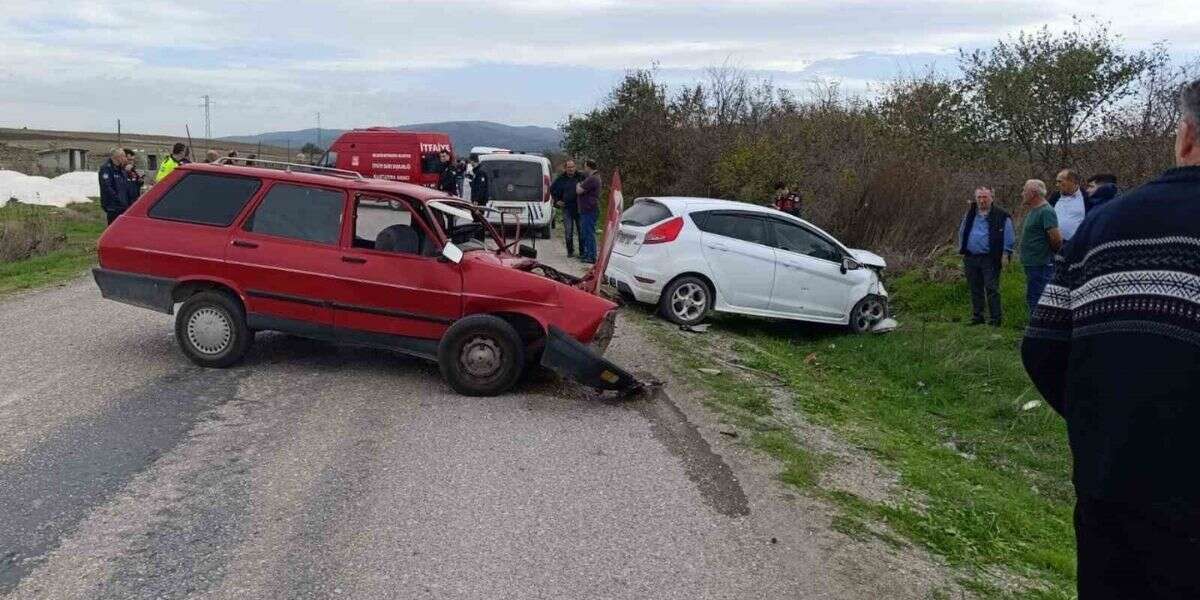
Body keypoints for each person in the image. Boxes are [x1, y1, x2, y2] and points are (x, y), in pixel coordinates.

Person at [1022, 77, 1200, 599]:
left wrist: (1105, 420)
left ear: (1186, 136)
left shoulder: (1106, 226)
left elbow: (1042, 348)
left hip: (1114, 493)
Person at [958, 186, 1014, 326]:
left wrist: (1006, 253)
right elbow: (962, 231)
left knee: (991, 288)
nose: (982, 200)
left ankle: (995, 318)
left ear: (992, 198)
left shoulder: (1002, 215)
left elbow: (1009, 235)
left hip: (991, 257)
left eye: (985, 197)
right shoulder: (970, 213)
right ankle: (978, 316)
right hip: (971, 256)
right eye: (979, 197)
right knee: (975, 288)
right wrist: (962, 249)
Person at [1018, 179, 1063, 312]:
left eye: (1024, 190)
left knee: (1039, 299)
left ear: (1033, 193)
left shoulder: (1046, 211)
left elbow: (1056, 238)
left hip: (1041, 265)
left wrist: (1049, 256)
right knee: (1032, 297)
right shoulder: (1034, 210)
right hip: (1032, 264)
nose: (1022, 193)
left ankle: (1040, 324)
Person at [550, 159, 584, 257]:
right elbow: (551, 189)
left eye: (572, 167)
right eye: (569, 167)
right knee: (568, 231)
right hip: (567, 209)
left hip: (579, 208)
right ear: (565, 168)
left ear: (575, 167)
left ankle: (582, 252)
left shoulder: (581, 177)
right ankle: (570, 251)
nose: (571, 169)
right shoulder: (561, 179)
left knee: (581, 231)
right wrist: (557, 201)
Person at [575, 159, 601, 264]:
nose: (584, 169)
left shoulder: (592, 178)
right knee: (586, 233)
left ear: (589, 167)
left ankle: (591, 256)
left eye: (585, 167)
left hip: (589, 210)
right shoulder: (594, 177)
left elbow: (579, 190)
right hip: (588, 209)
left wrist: (578, 184)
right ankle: (587, 254)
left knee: (589, 233)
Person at [1051, 169, 1087, 242]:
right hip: (1054, 243)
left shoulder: (1086, 197)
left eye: (1060, 181)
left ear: (1072, 181)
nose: (1057, 185)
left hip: (1076, 244)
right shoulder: (1055, 197)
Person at [98, 148, 129, 225]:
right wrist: (118, 199)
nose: (125, 158)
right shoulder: (106, 168)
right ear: (117, 157)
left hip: (123, 205)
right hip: (113, 206)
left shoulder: (121, 169)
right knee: (114, 226)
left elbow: (125, 185)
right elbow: (107, 187)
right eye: (123, 156)